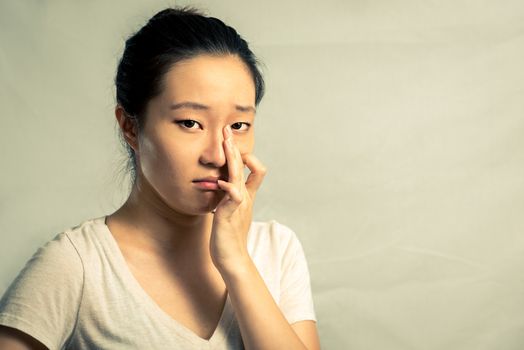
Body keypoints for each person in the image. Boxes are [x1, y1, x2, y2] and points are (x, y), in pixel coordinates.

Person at [0, 6, 320, 350]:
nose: (216, 155)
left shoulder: (275, 249)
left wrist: (236, 262)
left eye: (238, 125)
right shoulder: (76, 266)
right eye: (189, 123)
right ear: (130, 127)